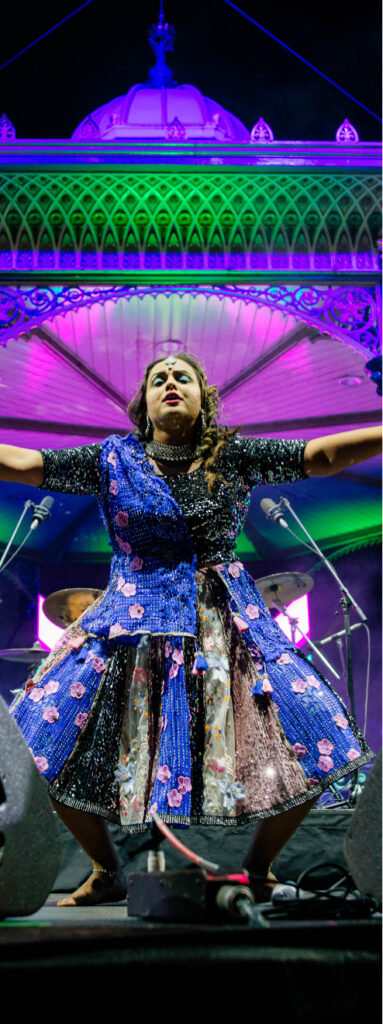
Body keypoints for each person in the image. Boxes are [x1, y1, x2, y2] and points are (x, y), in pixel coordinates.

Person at [3, 351, 381, 907]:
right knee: (34, 738)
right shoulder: (112, 459)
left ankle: (258, 868)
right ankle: (106, 869)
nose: (171, 383)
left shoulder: (231, 455)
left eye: (183, 377)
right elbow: (27, 465)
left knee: (320, 731)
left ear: (203, 397)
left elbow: (319, 456)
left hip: (224, 622)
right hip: (127, 622)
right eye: (159, 378)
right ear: (144, 404)